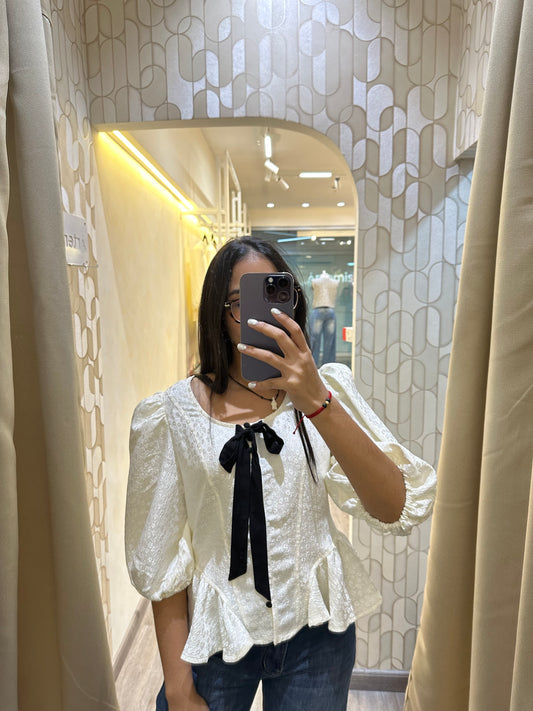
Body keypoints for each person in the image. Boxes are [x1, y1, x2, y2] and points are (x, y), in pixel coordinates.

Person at [125, 237, 436, 711]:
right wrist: (178, 687)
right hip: (218, 631)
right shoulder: (173, 414)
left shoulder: (327, 391)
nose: (258, 318)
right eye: (240, 302)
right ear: (218, 313)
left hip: (317, 635)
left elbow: (393, 506)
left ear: (292, 303)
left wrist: (316, 402)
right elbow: (162, 557)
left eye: (275, 296)